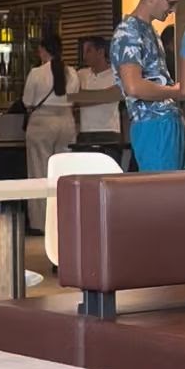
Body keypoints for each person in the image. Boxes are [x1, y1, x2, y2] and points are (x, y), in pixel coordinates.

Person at [110, 0, 185, 173]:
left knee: (174, 186)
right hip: (152, 123)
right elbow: (133, 86)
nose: (172, 10)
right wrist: (176, 91)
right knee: (164, 189)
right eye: (170, 3)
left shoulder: (148, 30)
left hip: (164, 121)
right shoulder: (129, 32)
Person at [22, 31, 78, 228]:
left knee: (39, 172)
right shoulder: (72, 73)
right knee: (63, 172)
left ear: (43, 50)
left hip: (42, 122)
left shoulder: (37, 73)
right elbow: (74, 98)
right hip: (67, 121)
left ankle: (41, 222)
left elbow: (27, 101)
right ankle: (64, 221)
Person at [76, 35, 121, 153]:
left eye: (88, 51)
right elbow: (74, 99)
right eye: (83, 52)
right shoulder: (80, 74)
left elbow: (116, 94)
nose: (84, 56)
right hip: (85, 132)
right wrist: (106, 95)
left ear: (100, 52)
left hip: (109, 132)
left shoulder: (116, 74)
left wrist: (85, 96)